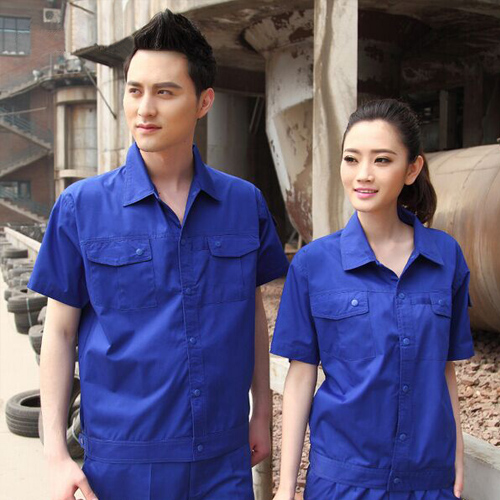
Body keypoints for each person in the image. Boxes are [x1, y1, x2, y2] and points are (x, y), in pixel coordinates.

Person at [28, 9, 289, 500]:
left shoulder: (244, 204)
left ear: (203, 101)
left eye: (165, 92)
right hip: (122, 464)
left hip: (222, 460)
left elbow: (251, 314)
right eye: (135, 90)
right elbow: (59, 333)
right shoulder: (81, 208)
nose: (144, 108)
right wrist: (57, 454)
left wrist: (261, 413)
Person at [270, 99, 474, 500]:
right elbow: (300, 377)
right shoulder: (313, 264)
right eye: (351, 159)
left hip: (428, 481)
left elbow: (444, 368)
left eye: (382, 160)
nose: (363, 174)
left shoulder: (445, 257)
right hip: (343, 483)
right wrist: (285, 487)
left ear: (412, 169)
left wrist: (458, 455)